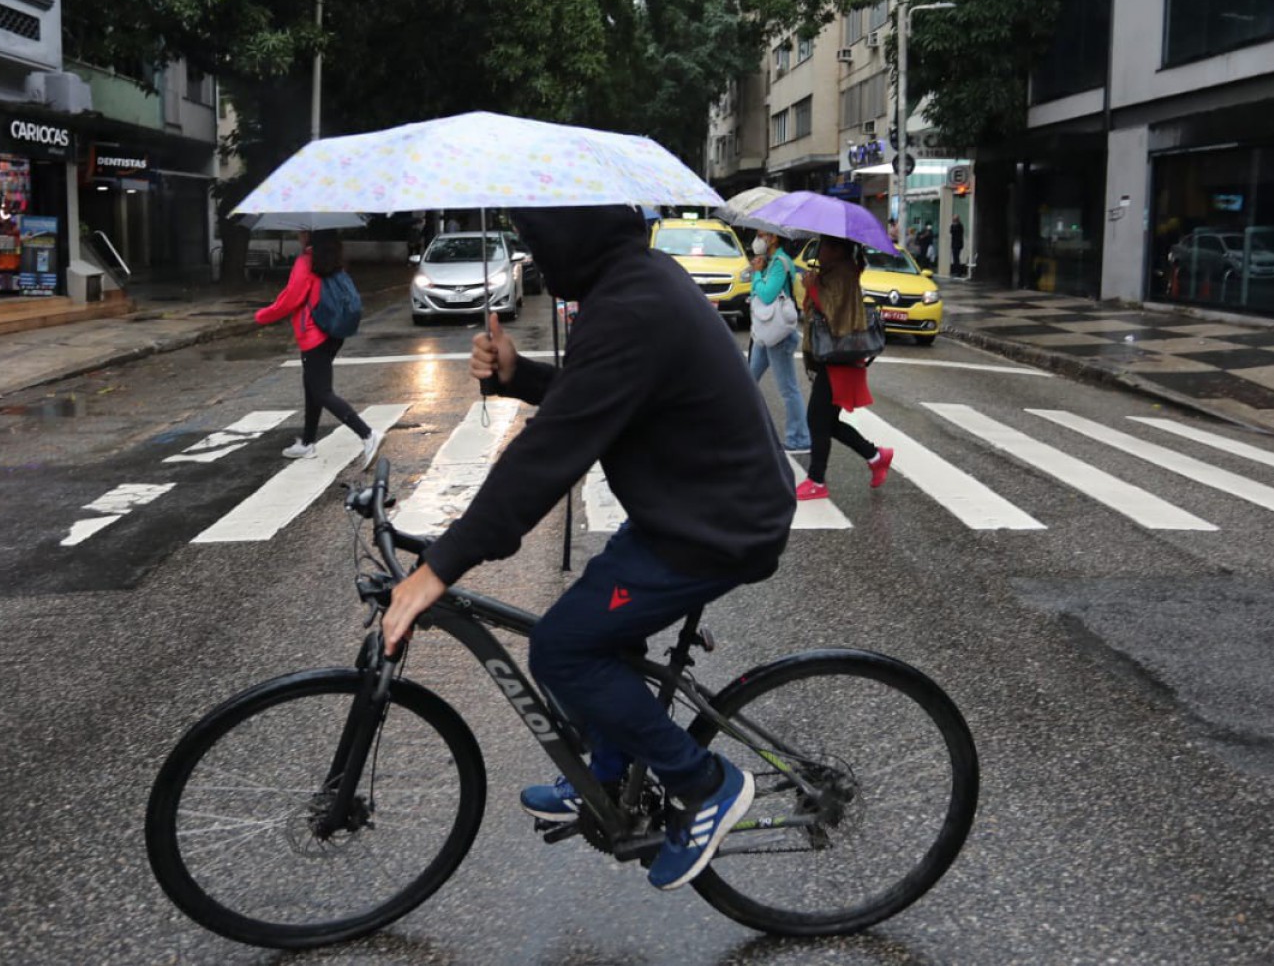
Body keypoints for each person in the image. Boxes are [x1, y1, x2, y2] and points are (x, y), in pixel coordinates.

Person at [380, 204, 795, 893]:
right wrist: (516, 372)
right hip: (688, 507)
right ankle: (605, 772)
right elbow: (599, 394)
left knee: (563, 649)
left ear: (572, 238)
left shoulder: (633, 304)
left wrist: (440, 567)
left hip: (716, 526)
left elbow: (550, 452)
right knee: (581, 633)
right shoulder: (632, 284)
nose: (538, 259)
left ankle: (707, 784)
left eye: (539, 241)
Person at [254, 230, 382, 467]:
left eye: (302, 232)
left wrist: (262, 316)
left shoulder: (306, 262)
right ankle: (307, 442)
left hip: (314, 335)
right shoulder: (332, 260)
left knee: (321, 391)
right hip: (332, 333)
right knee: (312, 387)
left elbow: (291, 299)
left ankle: (367, 434)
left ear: (311, 237)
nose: (298, 235)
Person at [795, 236, 894, 502]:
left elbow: (833, 315)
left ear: (837, 249)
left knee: (818, 419)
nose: (820, 251)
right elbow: (814, 311)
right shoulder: (835, 271)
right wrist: (813, 286)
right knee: (825, 422)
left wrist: (813, 287)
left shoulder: (842, 273)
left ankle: (817, 480)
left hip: (839, 357)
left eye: (824, 246)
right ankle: (875, 456)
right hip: (834, 358)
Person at [742, 231, 810, 452]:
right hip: (765, 332)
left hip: (778, 335)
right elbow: (756, 290)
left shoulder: (780, 262)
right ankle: (744, 430)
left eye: (762, 235)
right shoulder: (770, 262)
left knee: (788, 388)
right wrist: (757, 273)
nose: (758, 239)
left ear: (773, 239)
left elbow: (767, 294)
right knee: (748, 381)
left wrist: (757, 275)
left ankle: (800, 438)